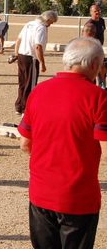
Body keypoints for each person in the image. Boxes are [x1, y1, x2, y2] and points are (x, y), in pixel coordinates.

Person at [18, 38, 107, 249]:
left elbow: (25, 144)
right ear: (94, 65)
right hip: (79, 198)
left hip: (41, 194)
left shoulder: (38, 92)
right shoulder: (98, 98)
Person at [13, 10, 58, 115]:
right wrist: (42, 62)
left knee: (22, 82)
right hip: (31, 58)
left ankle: (19, 106)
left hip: (21, 55)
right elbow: (38, 46)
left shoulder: (29, 24)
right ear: (47, 19)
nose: (50, 25)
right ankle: (26, 108)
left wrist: (16, 53)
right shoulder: (41, 28)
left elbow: (18, 39)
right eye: (51, 22)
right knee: (31, 84)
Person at [86, 4, 106, 89]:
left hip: (99, 48)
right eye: (95, 11)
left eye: (99, 10)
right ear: (91, 13)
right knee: (93, 70)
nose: (97, 12)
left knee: (102, 66)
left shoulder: (101, 21)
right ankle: (92, 87)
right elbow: (85, 39)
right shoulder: (89, 24)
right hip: (91, 50)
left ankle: (102, 84)